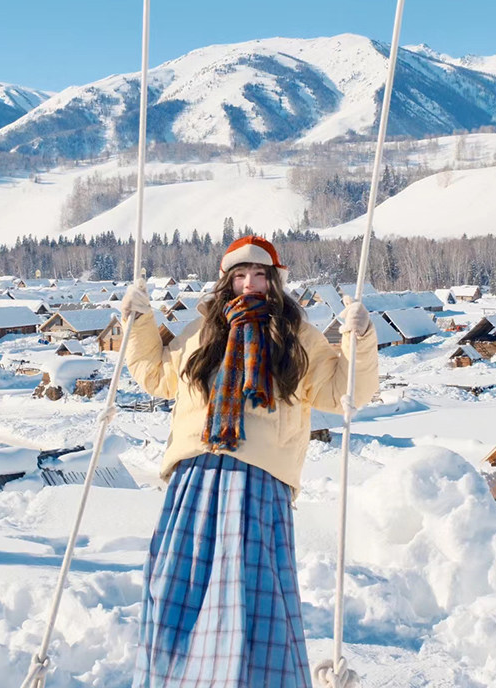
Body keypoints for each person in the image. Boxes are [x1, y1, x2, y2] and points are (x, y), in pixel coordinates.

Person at [122, 235, 379, 688]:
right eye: (240, 275)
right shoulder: (203, 330)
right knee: (178, 585)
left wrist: (359, 339)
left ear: (274, 281)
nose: (249, 284)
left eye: (260, 274)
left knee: (250, 594)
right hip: (196, 473)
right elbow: (158, 376)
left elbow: (344, 392)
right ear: (226, 281)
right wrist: (139, 321)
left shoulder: (296, 335)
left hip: (259, 480)